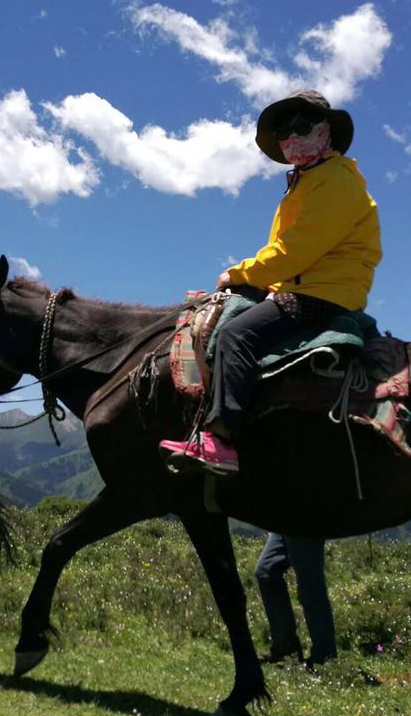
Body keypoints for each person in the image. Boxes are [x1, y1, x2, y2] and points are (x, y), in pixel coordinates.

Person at [161, 89, 382, 474]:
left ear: (326, 132)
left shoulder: (336, 181)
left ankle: (222, 438)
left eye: (301, 126)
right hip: (305, 285)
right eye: (284, 131)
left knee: (236, 335)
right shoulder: (307, 181)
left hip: (322, 293)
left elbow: (295, 251)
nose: (291, 137)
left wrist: (240, 273)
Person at [255, 533, 337, 666]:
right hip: (285, 522)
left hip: (303, 522)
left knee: (310, 587)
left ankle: (324, 658)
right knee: (266, 571)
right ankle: (286, 649)